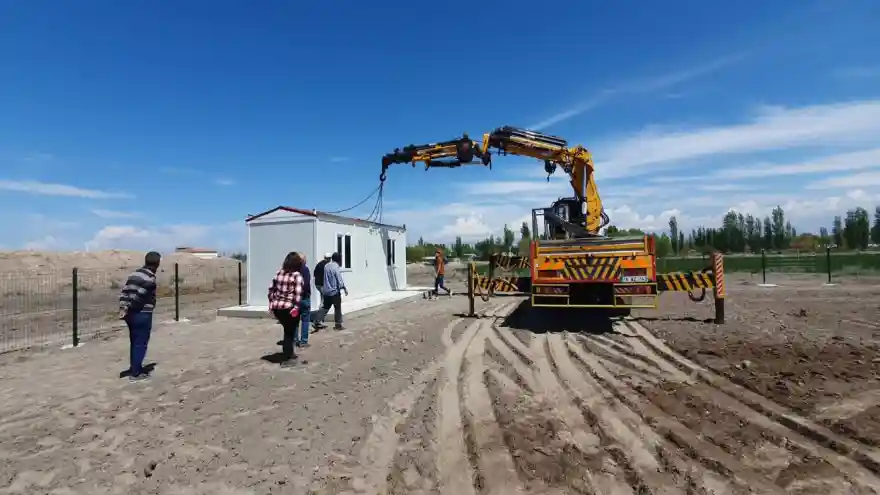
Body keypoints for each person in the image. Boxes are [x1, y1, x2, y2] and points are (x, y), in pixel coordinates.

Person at [118, 251, 161, 382]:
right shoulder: (150, 278)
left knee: (134, 341)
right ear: (157, 263)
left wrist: (123, 308)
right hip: (141, 313)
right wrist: (131, 307)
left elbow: (125, 292)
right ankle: (136, 373)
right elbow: (141, 295)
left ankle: (134, 368)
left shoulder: (135, 274)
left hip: (129, 314)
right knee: (140, 343)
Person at [268, 251, 305, 366]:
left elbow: (271, 290)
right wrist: (297, 307)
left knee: (287, 329)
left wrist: (271, 303)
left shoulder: (278, 273)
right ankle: (288, 357)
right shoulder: (297, 275)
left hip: (277, 308)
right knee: (290, 331)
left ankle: (289, 352)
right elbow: (298, 294)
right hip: (289, 307)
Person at [313, 252, 347, 331]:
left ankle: (317, 321)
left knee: (325, 307)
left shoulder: (327, 266)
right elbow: (339, 278)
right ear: (339, 259)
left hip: (326, 290)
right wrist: (343, 287)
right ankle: (338, 325)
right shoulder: (336, 267)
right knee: (337, 308)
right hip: (334, 291)